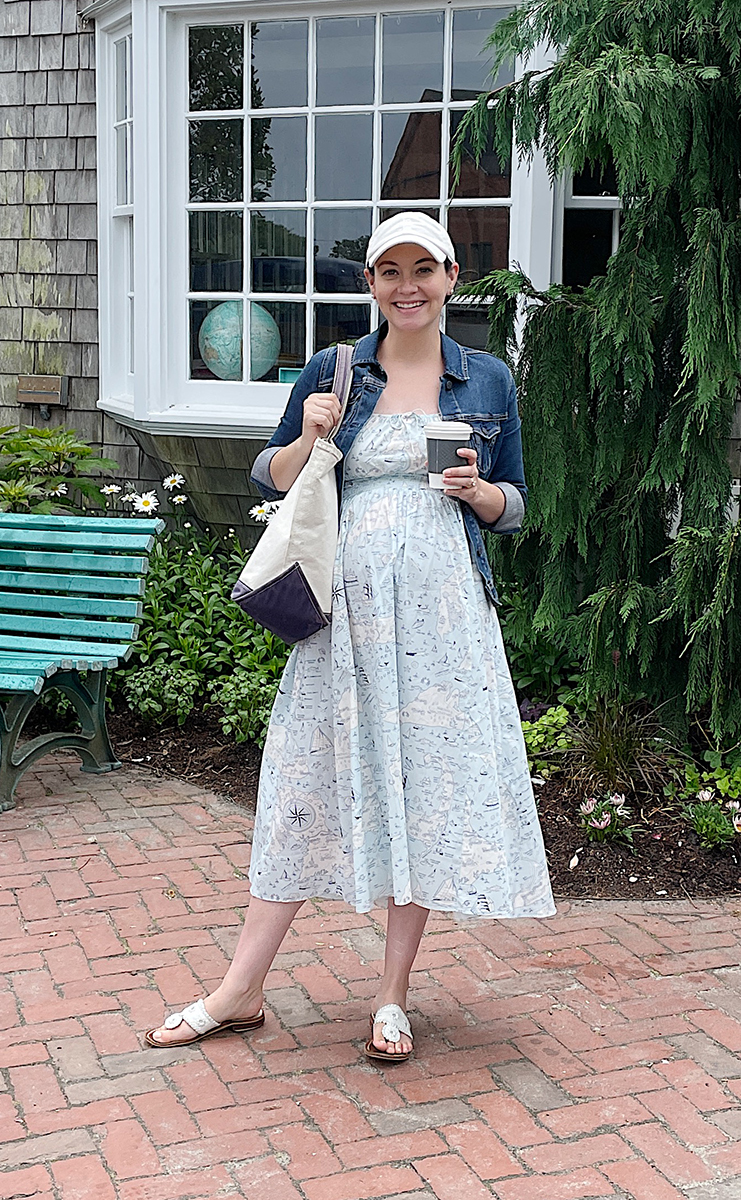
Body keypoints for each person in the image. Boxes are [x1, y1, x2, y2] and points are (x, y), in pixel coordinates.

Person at [146, 212, 555, 1060]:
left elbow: (516, 502)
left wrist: (479, 494)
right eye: (389, 271)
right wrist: (308, 435)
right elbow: (271, 474)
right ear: (371, 284)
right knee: (300, 788)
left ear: (449, 278)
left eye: (424, 269)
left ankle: (392, 999)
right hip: (343, 619)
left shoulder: (488, 381)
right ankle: (240, 990)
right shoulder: (337, 370)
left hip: (445, 622)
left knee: (423, 790)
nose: (408, 286)